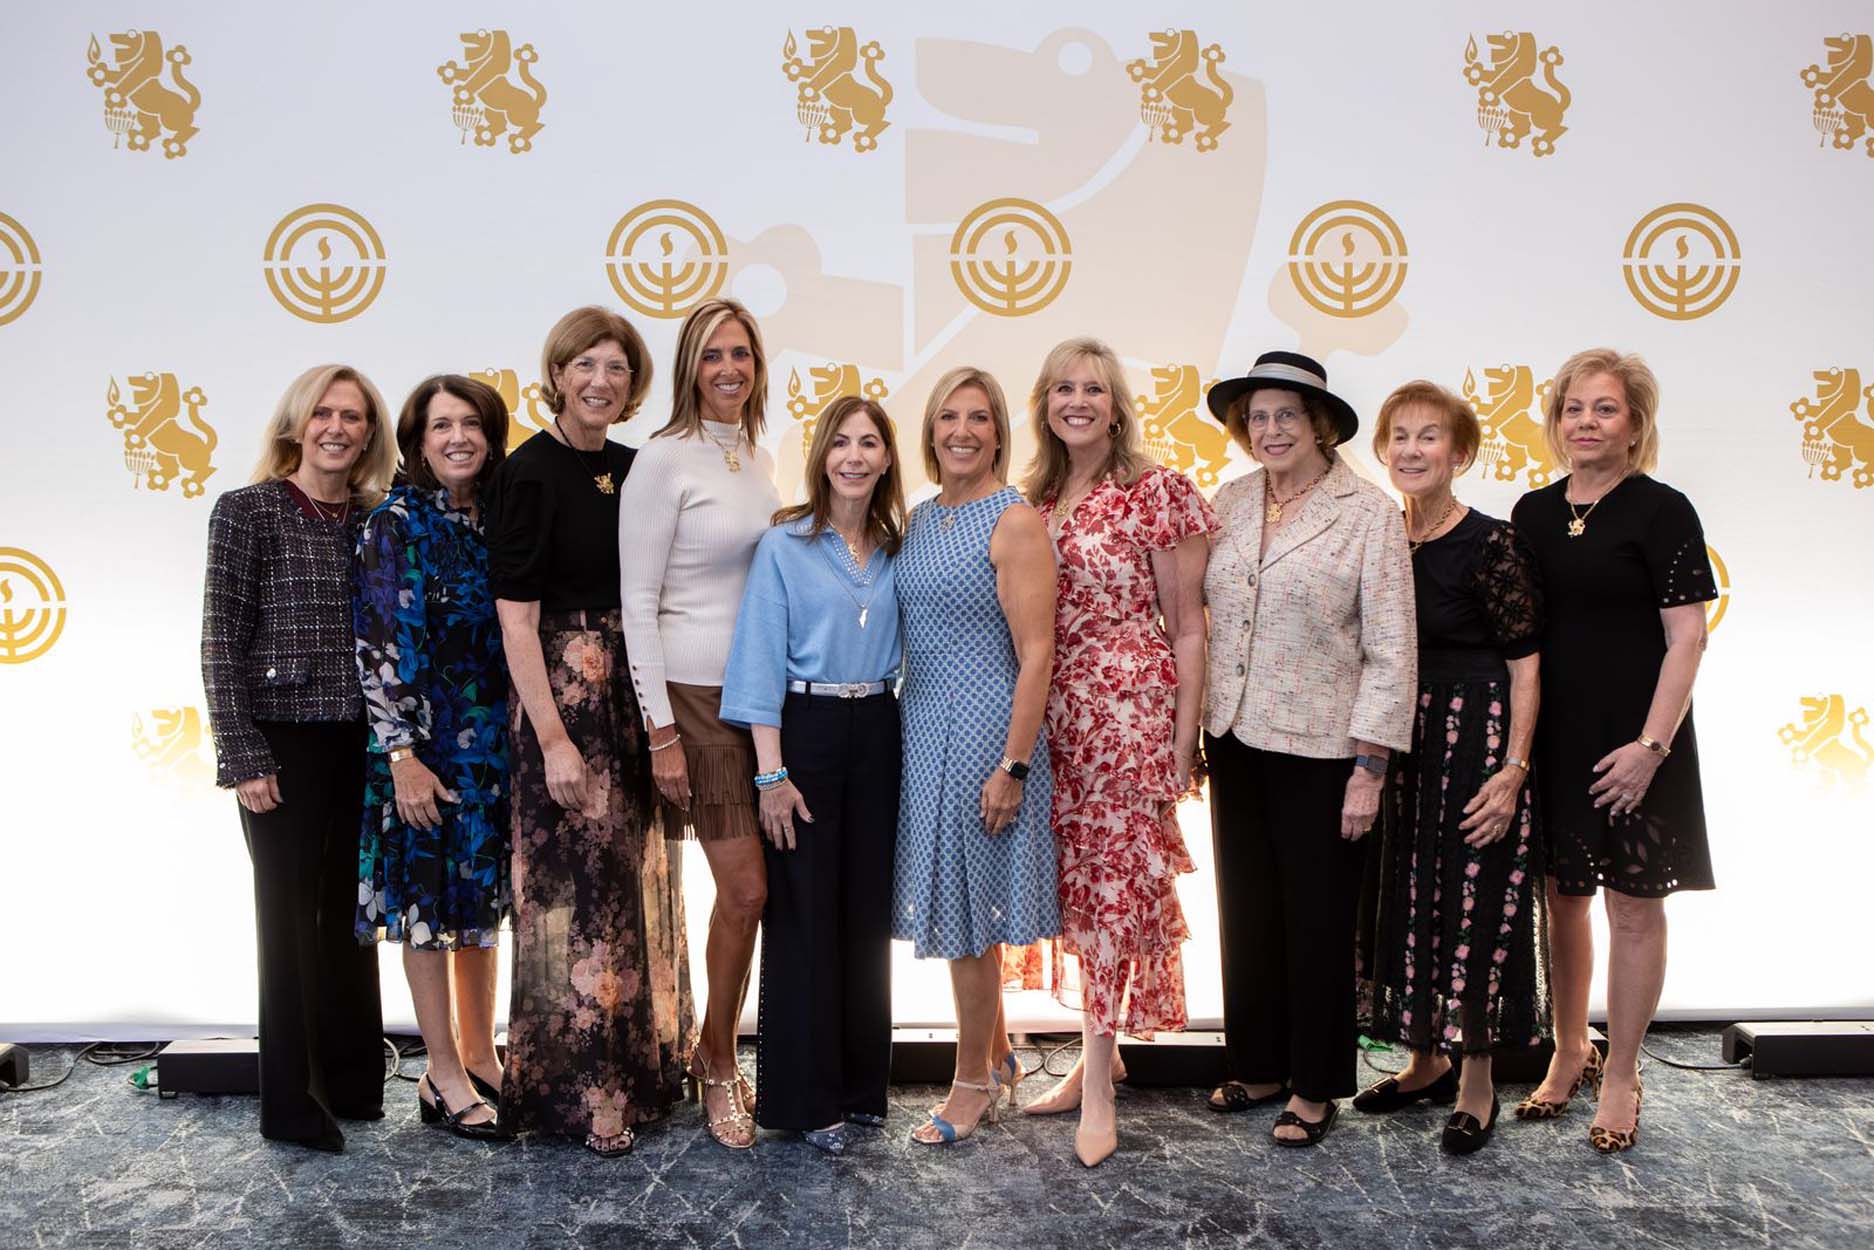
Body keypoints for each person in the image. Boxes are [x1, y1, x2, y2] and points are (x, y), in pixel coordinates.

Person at [486, 306, 693, 1157]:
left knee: (636, 884)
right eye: (585, 365)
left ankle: (643, 1077)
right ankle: (581, 1095)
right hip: (564, 706)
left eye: (616, 367)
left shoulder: (637, 469)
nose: (600, 381)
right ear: (557, 375)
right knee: (569, 901)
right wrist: (553, 740)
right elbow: (515, 620)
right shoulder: (528, 472)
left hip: (633, 699)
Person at [1200, 351, 1415, 1146]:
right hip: (1233, 737)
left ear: (1320, 424)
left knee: (1318, 921)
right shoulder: (1228, 500)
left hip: (1326, 750)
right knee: (1248, 910)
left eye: (1287, 415)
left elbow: (1392, 649)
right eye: (1257, 417)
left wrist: (1370, 768)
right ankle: (1259, 1064)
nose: (1271, 429)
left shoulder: (1369, 512)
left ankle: (1316, 1085)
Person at [1013, 338, 1215, 1167]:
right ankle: (1103, 1057)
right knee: (1073, 888)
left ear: (1116, 404)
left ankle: (1097, 1088)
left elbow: (1190, 626)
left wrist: (1183, 739)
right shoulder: (1035, 496)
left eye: (1093, 389)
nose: (1077, 401)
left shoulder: (1155, 491)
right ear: (1044, 403)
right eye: (1063, 387)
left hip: (1127, 720)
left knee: (1111, 890)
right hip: (1050, 717)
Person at [1510, 348, 1715, 1154]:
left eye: (1605, 408)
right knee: (1562, 899)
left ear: (1635, 424)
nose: (1586, 422)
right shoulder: (1532, 512)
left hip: (1640, 742)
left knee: (1633, 904)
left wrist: (1650, 748)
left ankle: (1623, 1072)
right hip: (1556, 738)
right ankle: (1570, 1049)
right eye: (1573, 408)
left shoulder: (1663, 510)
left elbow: (1687, 639)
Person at [201, 363, 398, 1152]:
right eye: (323, 413)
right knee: (286, 923)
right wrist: (242, 754)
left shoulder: (376, 518)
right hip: (279, 745)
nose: (337, 428)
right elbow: (220, 641)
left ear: (370, 433)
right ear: (296, 424)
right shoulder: (247, 510)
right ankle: (291, 1106)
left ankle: (353, 1085)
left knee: (350, 920)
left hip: (362, 744)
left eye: (353, 416)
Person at [1354, 381, 1545, 1155]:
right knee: (1407, 895)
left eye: (1429, 436)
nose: (1412, 450)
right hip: (1398, 740)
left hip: (1476, 736)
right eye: (1399, 436)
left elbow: (1527, 667)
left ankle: (1476, 1081)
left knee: (1475, 902)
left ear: (1460, 453)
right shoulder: (1378, 536)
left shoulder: (1493, 543)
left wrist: (1514, 768)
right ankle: (1425, 1061)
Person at [719, 396, 908, 1155]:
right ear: (822, 456)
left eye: (869, 443)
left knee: (865, 914)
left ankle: (861, 1088)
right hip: (806, 728)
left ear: (888, 458)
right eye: (840, 443)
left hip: (881, 728)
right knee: (803, 913)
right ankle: (804, 1098)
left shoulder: (898, 546)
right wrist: (771, 775)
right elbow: (759, 658)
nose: (854, 456)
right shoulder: (784, 545)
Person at [618, 297, 780, 1150]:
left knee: (753, 897)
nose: (728, 368)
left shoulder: (759, 456)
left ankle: (715, 1045)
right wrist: (661, 731)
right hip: (691, 697)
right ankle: (717, 1061)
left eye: (741, 354)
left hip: (762, 700)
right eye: (713, 354)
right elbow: (637, 604)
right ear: (689, 367)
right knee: (745, 890)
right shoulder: (662, 459)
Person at [893, 365, 1060, 1146]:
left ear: (999, 433)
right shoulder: (920, 517)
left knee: (967, 917)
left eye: (979, 417)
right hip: (923, 726)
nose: (962, 430)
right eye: (948, 417)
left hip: (987, 732)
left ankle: (970, 1085)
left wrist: (1014, 765)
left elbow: (1037, 653)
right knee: (957, 904)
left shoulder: (1015, 520)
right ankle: (996, 1057)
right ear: (930, 432)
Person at [352, 374, 510, 1141]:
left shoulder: (495, 521)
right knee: (425, 910)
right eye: (442, 425)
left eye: (471, 423)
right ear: (417, 440)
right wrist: (402, 756)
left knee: (478, 907)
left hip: (491, 750)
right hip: (420, 750)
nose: (458, 438)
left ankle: (481, 1054)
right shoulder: (395, 523)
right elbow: (380, 645)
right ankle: (440, 1071)